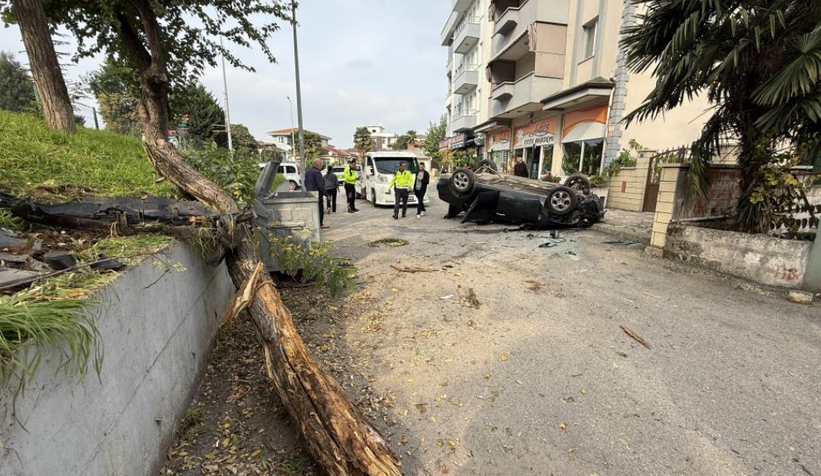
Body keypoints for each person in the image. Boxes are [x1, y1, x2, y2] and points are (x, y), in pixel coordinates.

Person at [305, 159, 329, 229]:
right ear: (318, 165)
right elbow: (320, 185)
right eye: (321, 164)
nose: (321, 166)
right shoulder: (317, 172)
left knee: (312, 209)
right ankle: (320, 224)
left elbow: (305, 182)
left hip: (309, 193)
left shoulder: (308, 172)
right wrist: (326, 194)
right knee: (320, 209)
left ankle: (313, 223)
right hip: (317, 194)